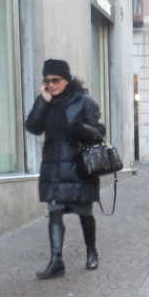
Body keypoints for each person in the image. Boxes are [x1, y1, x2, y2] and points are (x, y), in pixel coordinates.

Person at [24, 58, 106, 279]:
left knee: (85, 214)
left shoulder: (84, 102)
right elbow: (32, 126)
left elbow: (99, 133)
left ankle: (91, 251)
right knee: (55, 213)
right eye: (47, 81)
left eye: (55, 80)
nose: (51, 84)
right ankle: (56, 260)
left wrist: (81, 129)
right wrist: (43, 101)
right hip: (53, 168)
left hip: (79, 168)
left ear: (67, 80)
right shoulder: (46, 101)